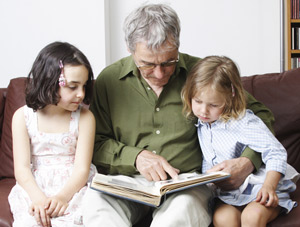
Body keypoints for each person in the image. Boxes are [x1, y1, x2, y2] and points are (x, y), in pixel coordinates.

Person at [83, 4, 275, 227]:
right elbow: (94, 143)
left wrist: (247, 161)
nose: (159, 73)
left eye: (168, 62)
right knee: (96, 205)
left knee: (178, 215)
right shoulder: (110, 80)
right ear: (130, 49)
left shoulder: (201, 73)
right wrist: (135, 157)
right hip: (127, 182)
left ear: (178, 45)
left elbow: (261, 115)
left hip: (187, 184)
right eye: (148, 64)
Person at [181, 55, 299, 226]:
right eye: (197, 101)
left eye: (213, 105)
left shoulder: (243, 122)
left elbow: (276, 151)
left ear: (231, 96)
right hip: (230, 195)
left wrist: (269, 187)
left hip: (260, 187)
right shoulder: (202, 124)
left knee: (251, 217)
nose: (203, 111)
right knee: (222, 218)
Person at [8, 41, 97, 227]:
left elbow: (81, 169)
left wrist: (63, 197)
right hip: (35, 187)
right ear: (48, 82)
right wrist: (39, 199)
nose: (81, 94)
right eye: (73, 87)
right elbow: (22, 169)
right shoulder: (22, 117)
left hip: (73, 187)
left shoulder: (85, 118)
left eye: (83, 86)